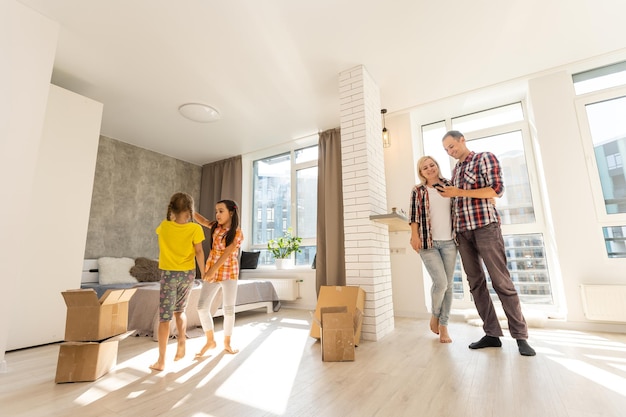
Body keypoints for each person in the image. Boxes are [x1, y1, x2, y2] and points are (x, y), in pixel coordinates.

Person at [439, 130, 536, 356]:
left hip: (485, 228)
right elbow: (459, 201)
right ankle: (492, 333)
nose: (450, 152)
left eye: (452, 146)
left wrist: (458, 191)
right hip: (463, 233)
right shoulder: (456, 170)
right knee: (476, 284)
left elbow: (496, 190)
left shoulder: (485, 157)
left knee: (501, 281)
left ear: (462, 140)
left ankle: (521, 337)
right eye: (446, 150)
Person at [150, 192, 206, 371]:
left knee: (164, 318)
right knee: (180, 310)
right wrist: (203, 273)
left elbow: (164, 228)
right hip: (187, 275)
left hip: (169, 275)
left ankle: (161, 361)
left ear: (172, 209)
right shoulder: (195, 229)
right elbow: (198, 252)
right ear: (190, 212)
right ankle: (182, 338)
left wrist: (171, 217)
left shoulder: (163, 226)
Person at [409, 156, 456, 343]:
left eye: (432, 165)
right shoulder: (418, 190)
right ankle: (435, 315)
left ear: (437, 166)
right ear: (420, 172)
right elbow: (413, 215)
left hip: (450, 242)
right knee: (441, 283)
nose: (429, 169)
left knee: (449, 285)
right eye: (424, 167)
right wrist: (414, 236)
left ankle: (444, 326)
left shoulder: (449, 185)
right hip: (428, 243)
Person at [194, 199, 243, 355]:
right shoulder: (216, 227)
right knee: (202, 307)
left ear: (231, 212)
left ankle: (227, 343)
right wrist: (191, 210)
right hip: (213, 271)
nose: (217, 214)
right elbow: (203, 221)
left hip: (229, 273)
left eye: (221, 211)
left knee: (229, 310)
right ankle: (210, 340)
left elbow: (227, 253)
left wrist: (211, 271)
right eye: (216, 211)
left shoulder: (237, 233)